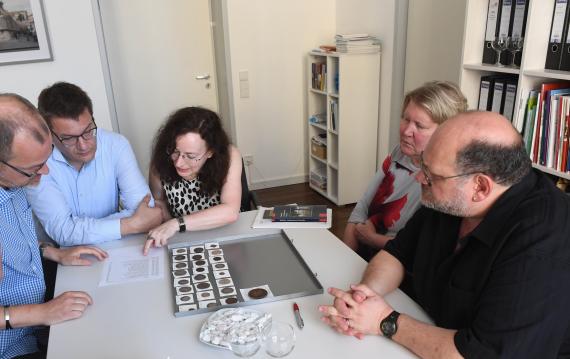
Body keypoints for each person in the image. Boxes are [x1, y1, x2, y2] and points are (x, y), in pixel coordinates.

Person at [320, 111, 570, 358]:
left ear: (480, 187)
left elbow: (480, 353)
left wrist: (385, 321)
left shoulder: (542, 245)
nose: (419, 177)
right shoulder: (452, 195)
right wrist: (362, 298)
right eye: (423, 166)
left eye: (429, 174)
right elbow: (397, 253)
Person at [0, 93, 107, 359]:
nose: (44, 173)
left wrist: (52, 252)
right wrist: (43, 313)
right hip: (9, 346)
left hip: (34, 330)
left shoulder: (14, 183)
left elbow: (15, 239)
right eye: (34, 168)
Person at [25, 82, 162, 246]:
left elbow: (146, 210)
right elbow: (63, 232)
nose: (83, 145)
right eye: (68, 138)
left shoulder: (116, 145)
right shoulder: (36, 162)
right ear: (48, 134)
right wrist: (131, 224)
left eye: (88, 131)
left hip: (112, 245)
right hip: (59, 257)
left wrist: (81, 229)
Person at [343, 81, 467, 260]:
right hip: (363, 248)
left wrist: (372, 239)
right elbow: (362, 207)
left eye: (420, 126)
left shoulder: (443, 182)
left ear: (444, 133)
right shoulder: (399, 153)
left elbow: (419, 249)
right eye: (406, 119)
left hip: (396, 263)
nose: (407, 131)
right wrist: (345, 256)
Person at [143, 107, 241, 255]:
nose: (179, 163)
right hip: (182, 238)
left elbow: (230, 211)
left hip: (224, 233)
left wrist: (176, 224)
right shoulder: (160, 161)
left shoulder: (229, 155)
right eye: (175, 151)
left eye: (190, 155)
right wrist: (171, 228)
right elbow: (159, 202)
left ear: (210, 152)